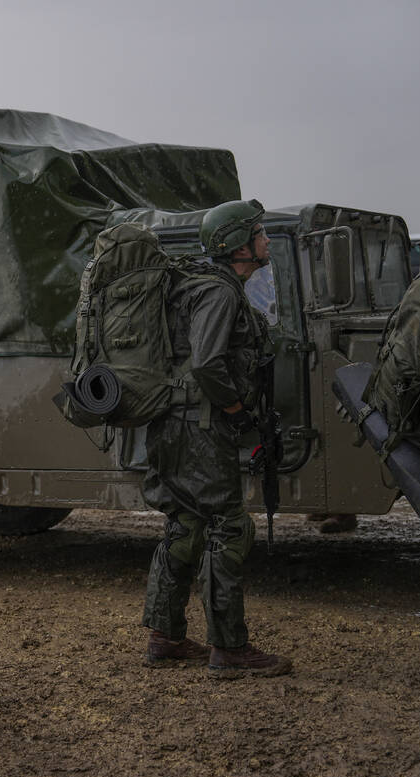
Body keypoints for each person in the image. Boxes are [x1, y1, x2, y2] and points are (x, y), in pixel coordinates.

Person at [140, 200, 292, 678]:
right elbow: (207, 363)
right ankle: (229, 649)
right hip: (200, 428)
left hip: (176, 425)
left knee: (186, 524)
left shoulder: (201, 287)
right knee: (229, 527)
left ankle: (164, 637)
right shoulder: (220, 294)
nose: (266, 240)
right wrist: (236, 410)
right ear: (238, 245)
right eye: (260, 233)